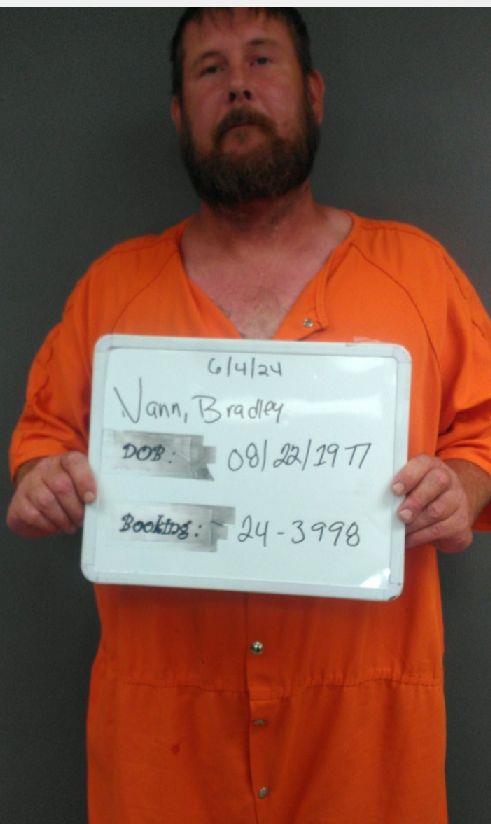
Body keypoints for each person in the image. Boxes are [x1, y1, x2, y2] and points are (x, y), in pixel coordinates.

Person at [7, 8, 491, 823]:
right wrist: (42, 479)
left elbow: (482, 434)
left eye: (261, 60)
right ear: (178, 112)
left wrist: (461, 489)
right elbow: (44, 436)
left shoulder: (417, 272)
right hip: (163, 749)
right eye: (209, 68)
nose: (236, 84)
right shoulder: (112, 288)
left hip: (362, 746)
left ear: (312, 93)